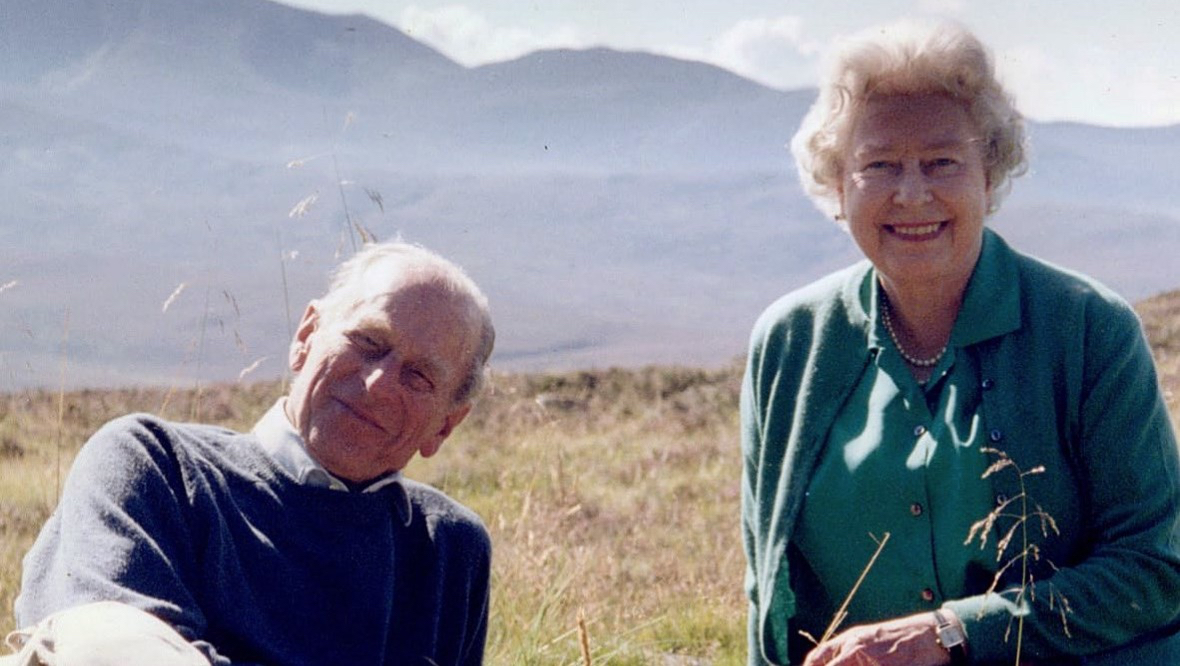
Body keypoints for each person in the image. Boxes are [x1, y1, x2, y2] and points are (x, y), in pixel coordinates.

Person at [740, 19, 1180, 666]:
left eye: (942, 161)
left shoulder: (1090, 330)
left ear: (990, 174)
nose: (912, 193)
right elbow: (768, 597)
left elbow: (1156, 571)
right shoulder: (788, 343)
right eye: (879, 164)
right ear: (837, 184)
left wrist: (953, 633)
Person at [5, 242, 496, 665]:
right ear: (305, 337)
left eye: (418, 377)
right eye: (367, 342)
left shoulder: (448, 546)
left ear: (446, 425)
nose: (376, 384)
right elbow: (110, 646)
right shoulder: (155, 464)